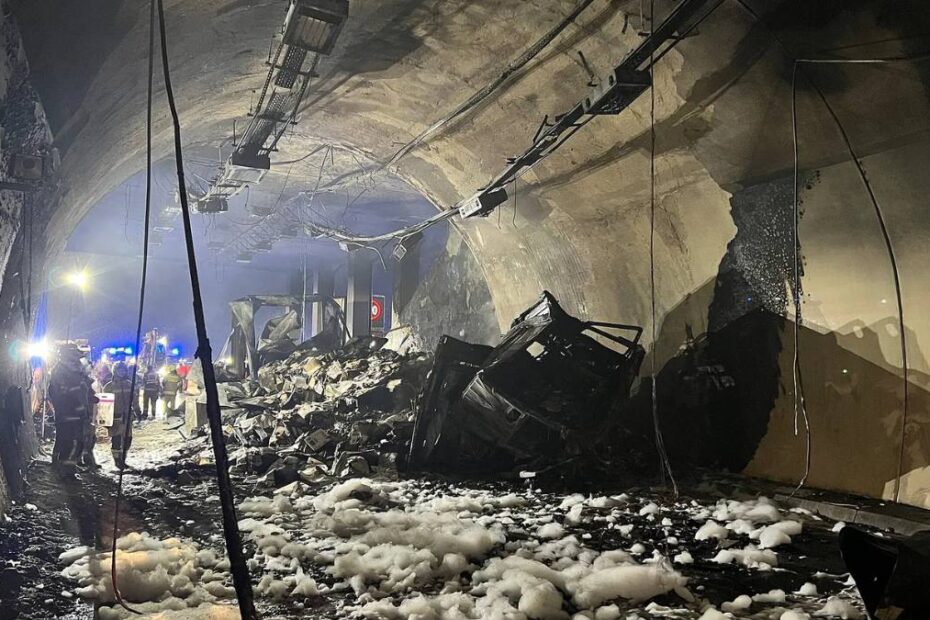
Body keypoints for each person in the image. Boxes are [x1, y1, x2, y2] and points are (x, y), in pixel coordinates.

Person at [47, 346, 96, 474]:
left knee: (78, 441)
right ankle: (65, 469)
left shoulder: (79, 371)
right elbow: (57, 393)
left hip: (79, 413)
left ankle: (69, 466)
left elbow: (85, 387)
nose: (76, 360)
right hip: (67, 413)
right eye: (74, 356)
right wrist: (69, 405)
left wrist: (90, 396)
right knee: (67, 441)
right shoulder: (60, 371)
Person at [104, 362, 136, 470]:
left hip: (127, 416)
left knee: (128, 439)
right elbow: (104, 405)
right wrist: (105, 419)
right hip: (115, 417)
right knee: (116, 439)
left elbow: (134, 399)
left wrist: (138, 410)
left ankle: (123, 458)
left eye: (123, 370)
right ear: (115, 371)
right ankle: (117, 461)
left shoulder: (129, 383)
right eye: (119, 370)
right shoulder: (109, 386)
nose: (121, 372)